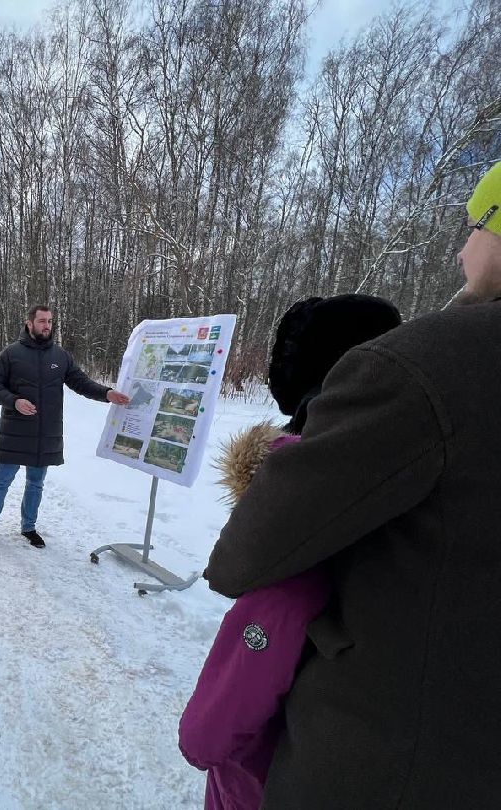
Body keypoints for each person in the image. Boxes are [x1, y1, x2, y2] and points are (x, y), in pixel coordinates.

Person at [204, 162, 501, 808]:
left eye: (474, 226)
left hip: (388, 757)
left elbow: (246, 559)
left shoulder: (432, 363)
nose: (461, 250)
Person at [179, 294, 401, 810]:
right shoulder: (406, 472)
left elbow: (266, 630)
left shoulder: (304, 510)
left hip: (270, 770)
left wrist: (201, 738)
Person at [0, 305, 129, 548]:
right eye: (42, 321)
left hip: (45, 433)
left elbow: (81, 382)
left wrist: (107, 393)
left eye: (50, 321)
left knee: (35, 484)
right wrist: (14, 401)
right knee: (1, 481)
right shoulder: (11, 353)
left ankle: (28, 527)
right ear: (29, 323)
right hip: (15, 431)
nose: (47, 326)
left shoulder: (60, 356)